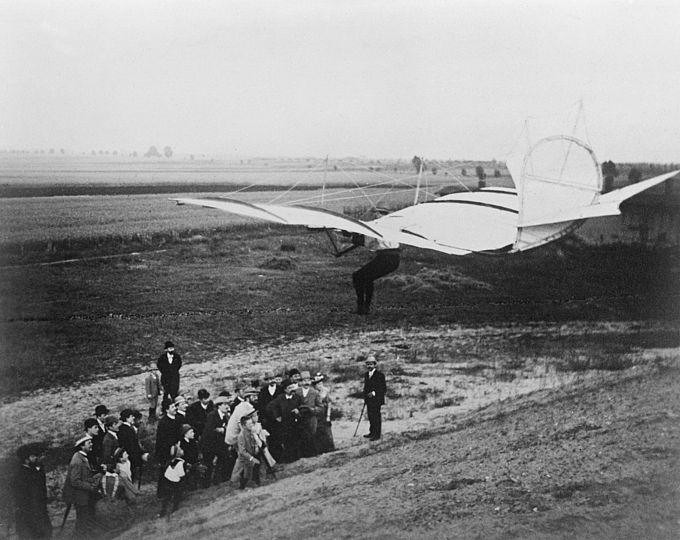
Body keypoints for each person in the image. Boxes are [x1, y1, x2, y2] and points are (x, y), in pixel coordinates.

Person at [351, 208, 400, 314]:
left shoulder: (375, 227)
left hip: (386, 258)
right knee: (367, 278)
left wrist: (356, 234)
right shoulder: (393, 225)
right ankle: (365, 307)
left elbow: (368, 244)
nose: (377, 215)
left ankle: (363, 307)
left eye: (379, 213)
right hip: (393, 258)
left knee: (358, 276)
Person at [62, 435, 102, 539]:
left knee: (85, 518)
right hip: (79, 496)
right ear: (81, 446)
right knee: (82, 520)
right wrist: (91, 486)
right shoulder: (77, 460)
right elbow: (75, 481)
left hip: (83, 494)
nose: (91, 444)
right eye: (89, 443)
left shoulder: (82, 457)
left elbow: (84, 476)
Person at [13, 442, 52, 539]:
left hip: (39, 511)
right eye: (34, 456)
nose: (37, 458)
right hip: (28, 514)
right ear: (26, 460)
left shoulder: (35, 469)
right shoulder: (20, 475)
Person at [266, 378, 302, 464]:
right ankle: (289, 461)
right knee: (287, 442)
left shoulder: (297, 398)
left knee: (296, 441)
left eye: (293, 387)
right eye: (289, 388)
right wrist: (276, 416)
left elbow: (302, 407)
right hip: (285, 424)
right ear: (285, 390)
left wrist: (298, 411)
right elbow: (269, 407)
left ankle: (297, 459)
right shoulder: (280, 398)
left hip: (296, 423)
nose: (292, 390)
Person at [200, 395, 231, 485]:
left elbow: (224, 429)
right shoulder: (212, 415)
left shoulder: (225, 416)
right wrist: (220, 430)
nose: (227, 406)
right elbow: (210, 430)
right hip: (208, 444)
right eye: (224, 404)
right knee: (208, 464)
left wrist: (222, 430)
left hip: (218, 443)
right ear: (219, 406)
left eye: (227, 404)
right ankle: (206, 484)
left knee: (224, 458)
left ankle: (219, 480)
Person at [295, 371, 324, 458]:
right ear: (300, 382)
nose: (306, 382)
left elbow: (321, 407)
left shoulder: (315, 392)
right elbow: (292, 404)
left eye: (308, 380)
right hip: (300, 417)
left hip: (311, 418)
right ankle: (302, 455)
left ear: (311, 381)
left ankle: (312, 455)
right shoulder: (297, 392)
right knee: (300, 435)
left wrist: (312, 410)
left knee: (311, 435)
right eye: (304, 380)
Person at [231, 412, 261, 489]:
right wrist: (252, 458)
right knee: (242, 475)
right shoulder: (241, 436)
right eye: (249, 424)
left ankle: (254, 481)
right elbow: (242, 451)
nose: (252, 425)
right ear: (244, 426)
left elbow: (257, 443)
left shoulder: (252, 431)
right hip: (244, 459)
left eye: (252, 423)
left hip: (252, 454)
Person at [118, 409, 149, 484]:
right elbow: (131, 445)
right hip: (131, 455)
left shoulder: (125, 428)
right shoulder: (126, 429)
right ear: (127, 418)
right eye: (131, 416)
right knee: (131, 474)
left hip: (130, 454)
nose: (133, 418)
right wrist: (139, 454)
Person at [257, 372, 282, 461]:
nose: (272, 381)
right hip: (268, 420)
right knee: (271, 439)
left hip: (279, 418)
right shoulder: (263, 391)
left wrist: (279, 415)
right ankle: (275, 458)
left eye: (273, 378)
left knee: (281, 437)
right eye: (269, 379)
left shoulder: (280, 389)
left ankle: (282, 457)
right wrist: (264, 418)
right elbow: (261, 406)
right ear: (267, 381)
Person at [157, 443, 186, 518]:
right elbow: (181, 474)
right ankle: (175, 509)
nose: (182, 450)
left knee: (166, 497)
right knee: (177, 495)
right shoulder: (179, 463)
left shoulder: (171, 461)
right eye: (180, 450)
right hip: (175, 482)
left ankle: (162, 512)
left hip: (167, 480)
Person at [363, 354, 387, 440]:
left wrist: (373, 393)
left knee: (376, 416)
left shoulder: (380, 375)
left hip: (376, 400)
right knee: (370, 416)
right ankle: (372, 432)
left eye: (371, 364)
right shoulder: (366, 375)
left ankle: (377, 435)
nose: (369, 366)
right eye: (368, 364)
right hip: (369, 400)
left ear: (374, 364)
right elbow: (366, 387)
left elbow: (383, 388)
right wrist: (365, 397)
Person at [312, 373, 336, 453]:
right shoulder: (313, 393)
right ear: (315, 385)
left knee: (327, 430)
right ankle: (320, 449)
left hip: (324, 413)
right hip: (316, 414)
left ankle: (330, 448)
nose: (320, 386)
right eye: (318, 384)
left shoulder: (325, 391)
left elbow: (329, 403)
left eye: (321, 383)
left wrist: (328, 416)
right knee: (317, 431)